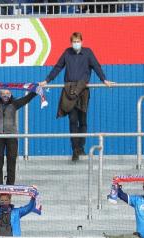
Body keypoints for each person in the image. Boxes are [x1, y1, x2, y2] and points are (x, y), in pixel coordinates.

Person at [40, 32, 114, 161]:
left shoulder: (88, 52)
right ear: (71, 42)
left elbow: (96, 66)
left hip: (83, 90)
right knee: (73, 120)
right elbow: (58, 67)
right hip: (70, 90)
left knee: (83, 120)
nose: (76, 43)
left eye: (78, 41)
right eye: (74, 41)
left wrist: (104, 79)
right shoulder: (67, 53)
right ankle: (75, 150)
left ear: (82, 41)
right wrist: (47, 81)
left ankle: (81, 148)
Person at [0, 89, 37, 184]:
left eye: (7, 93)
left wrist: (35, 91)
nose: (5, 95)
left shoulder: (15, 103)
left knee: (11, 162)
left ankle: (10, 186)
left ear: (11, 94)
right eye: (2, 93)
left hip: (12, 136)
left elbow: (27, 98)